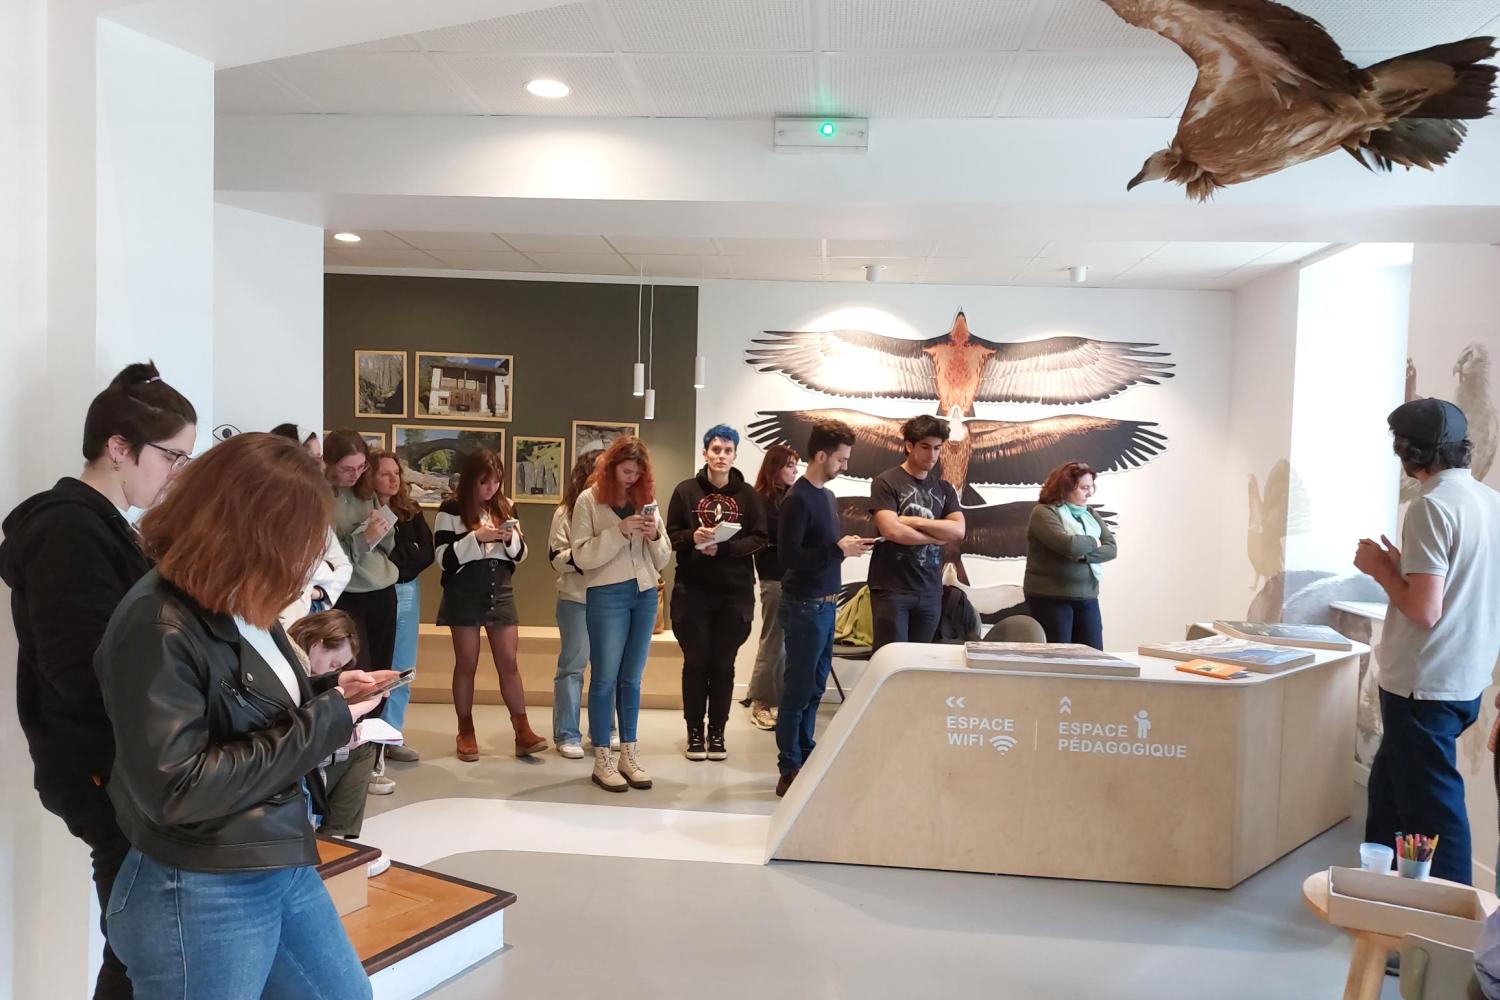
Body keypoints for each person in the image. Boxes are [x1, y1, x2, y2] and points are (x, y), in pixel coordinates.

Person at [94, 432, 391, 1000]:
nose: (309, 557)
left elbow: (243, 704)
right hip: (201, 886)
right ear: (253, 530)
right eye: (301, 538)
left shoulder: (236, 601)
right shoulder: (159, 624)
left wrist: (328, 690)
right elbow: (178, 787)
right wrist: (324, 720)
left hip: (275, 856)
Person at [0, 362, 196, 1000]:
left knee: (139, 949)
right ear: (119, 448)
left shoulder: (107, 526)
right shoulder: (68, 527)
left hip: (127, 766)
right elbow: (82, 670)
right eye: (173, 457)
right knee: (145, 952)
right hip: (106, 768)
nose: (176, 475)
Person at [1355, 398, 1500, 886]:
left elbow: (1424, 609)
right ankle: (1380, 898)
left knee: (1433, 815)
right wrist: (1402, 569)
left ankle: (1441, 934)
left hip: (1423, 684)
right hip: (1463, 679)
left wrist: (1379, 571)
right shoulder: (1489, 500)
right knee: (1390, 794)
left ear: (1408, 452)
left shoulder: (1430, 507)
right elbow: (1458, 586)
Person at [775, 420, 876, 798]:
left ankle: (804, 753)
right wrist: (837, 550)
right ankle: (789, 766)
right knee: (798, 691)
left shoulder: (826, 498)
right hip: (804, 606)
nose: (845, 466)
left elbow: (820, 550)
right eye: (842, 459)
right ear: (821, 455)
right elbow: (790, 556)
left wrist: (845, 546)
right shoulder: (798, 499)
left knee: (815, 688)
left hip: (825, 604)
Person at [570, 436, 672, 793]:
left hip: (644, 593)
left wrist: (655, 533)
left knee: (632, 679)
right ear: (611, 467)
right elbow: (581, 557)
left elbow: (662, 559)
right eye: (626, 471)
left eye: (637, 472)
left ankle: (629, 753)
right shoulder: (588, 500)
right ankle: (602, 759)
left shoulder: (646, 501)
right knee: (605, 679)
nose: (631, 478)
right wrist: (618, 532)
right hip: (607, 594)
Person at [435, 448, 547, 761]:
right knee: (467, 662)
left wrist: (509, 538)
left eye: (496, 482)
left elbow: (521, 554)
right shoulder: (451, 509)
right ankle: (465, 729)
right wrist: (477, 538)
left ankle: (522, 730)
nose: (491, 489)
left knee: (509, 661)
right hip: (464, 590)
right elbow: (442, 558)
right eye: (485, 482)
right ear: (471, 480)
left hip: (501, 587)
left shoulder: (506, 505)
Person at [667, 425, 767, 761]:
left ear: (736, 454)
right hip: (692, 592)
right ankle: (694, 733)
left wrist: (724, 550)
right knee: (695, 664)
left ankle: (718, 733)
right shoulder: (685, 491)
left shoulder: (749, 496)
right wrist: (693, 537)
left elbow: (759, 538)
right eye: (715, 449)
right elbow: (670, 535)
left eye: (727, 450)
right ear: (705, 453)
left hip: (734, 594)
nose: (721, 455)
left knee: (723, 666)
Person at [325, 430, 400, 793]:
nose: (355, 475)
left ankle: (374, 753)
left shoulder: (365, 490)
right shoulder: (320, 496)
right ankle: (353, 756)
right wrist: (362, 537)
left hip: (381, 588)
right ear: (328, 465)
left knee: (384, 673)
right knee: (359, 673)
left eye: (360, 467)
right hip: (346, 593)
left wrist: (381, 528)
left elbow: (387, 544)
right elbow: (329, 553)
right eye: (347, 468)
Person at [868, 414, 966, 650]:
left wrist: (912, 521)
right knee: (891, 662)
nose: (932, 455)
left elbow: (958, 530)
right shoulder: (886, 482)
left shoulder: (944, 488)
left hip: (930, 590)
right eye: (925, 447)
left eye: (937, 448)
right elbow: (892, 531)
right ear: (909, 445)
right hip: (892, 589)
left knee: (922, 662)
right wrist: (937, 537)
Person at [287, 611, 378, 839]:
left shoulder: (291, 662)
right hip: (292, 774)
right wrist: (343, 737)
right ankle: (335, 841)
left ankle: (335, 839)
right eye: (334, 663)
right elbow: (301, 743)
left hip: (292, 765)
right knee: (363, 749)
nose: (333, 671)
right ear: (318, 644)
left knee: (362, 746)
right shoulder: (294, 673)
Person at [372, 449, 433, 764]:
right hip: (371, 592)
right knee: (373, 665)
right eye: (385, 473)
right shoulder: (363, 509)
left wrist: (395, 560)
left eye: (397, 473)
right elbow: (369, 556)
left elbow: (426, 553)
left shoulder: (411, 510)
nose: (393, 479)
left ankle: (392, 734)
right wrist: (401, 555)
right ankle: (368, 741)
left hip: (406, 591)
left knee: (402, 666)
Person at [1023, 462, 1117, 649]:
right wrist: (1094, 541)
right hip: (1051, 599)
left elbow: (1112, 548)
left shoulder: (1089, 513)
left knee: (1094, 660)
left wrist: (1084, 556)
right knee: (1058, 662)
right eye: (1084, 488)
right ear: (1065, 488)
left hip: (1088, 597)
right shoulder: (1043, 513)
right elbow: (1069, 546)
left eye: (1091, 487)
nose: (1089, 493)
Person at [270, 423, 350, 629]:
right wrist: (322, 571)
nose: (321, 467)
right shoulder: (266, 507)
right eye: (314, 459)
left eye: (320, 458)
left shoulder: (313, 510)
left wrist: (320, 591)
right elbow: (292, 565)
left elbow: (342, 565)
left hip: (302, 614)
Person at [550, 451, 600, 759]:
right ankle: (567, 733)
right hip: (576, 599)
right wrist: (589, 558)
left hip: (610, 601)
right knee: (572, 667)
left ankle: (604, 730)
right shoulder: (566, 511)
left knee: (608, 670)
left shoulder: (614, 508)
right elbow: (556, 558)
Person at [746, 443, 800, 730]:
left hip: (794, 578)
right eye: (789, 465)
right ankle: (761, 703)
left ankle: (776, 699)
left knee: (787, 645)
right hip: (775, 578)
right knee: (773, 643)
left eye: (795, 465)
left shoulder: (791, 498)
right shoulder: (761, 500)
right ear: (774, 467)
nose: (794, 470)